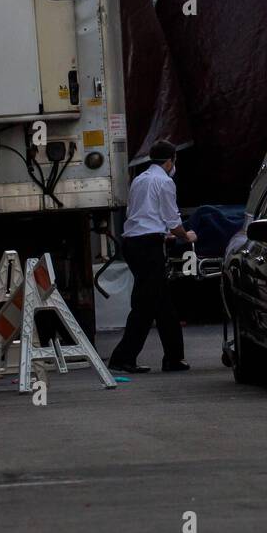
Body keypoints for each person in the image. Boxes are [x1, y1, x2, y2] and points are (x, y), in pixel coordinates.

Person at [108, 140, 195, 373]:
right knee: (151, 305)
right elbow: (172, 219)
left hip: (135, 244)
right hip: (148, 248)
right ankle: (125, 357)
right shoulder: (165, 182)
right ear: (170, 161)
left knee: (154, 303)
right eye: (174, 161)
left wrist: (162, 234)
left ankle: (171, 358)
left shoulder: (139, 179)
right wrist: (187, 236)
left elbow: (140, 215)